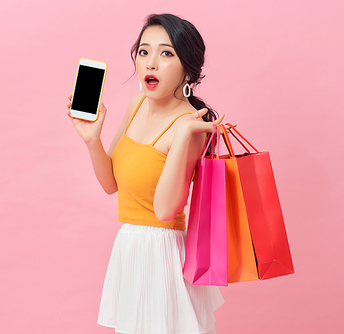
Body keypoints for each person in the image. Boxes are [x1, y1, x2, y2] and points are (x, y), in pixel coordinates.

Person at [65, 13, 227, 334]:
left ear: (187, 68)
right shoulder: (136, 104)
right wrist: (92, 139)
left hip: (163, 257)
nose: (151, 63)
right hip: (129, 249)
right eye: (144, 51)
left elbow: (166, 211)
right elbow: (112, 185)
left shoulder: (190, 125)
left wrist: (183, 137)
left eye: (166, 53)